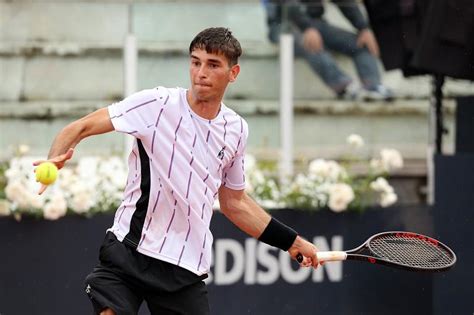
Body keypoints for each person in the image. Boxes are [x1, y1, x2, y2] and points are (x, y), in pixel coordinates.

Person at [33, 27, 319, 315]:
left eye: (213, 65)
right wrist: (53, 159)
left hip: (183, 266)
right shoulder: (157, 104)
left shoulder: (236, 130)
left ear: (233, 74)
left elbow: (235, 203)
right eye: (195, 62)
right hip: (129, 250)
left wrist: (291, 242)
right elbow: (78, 128)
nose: (200, 73)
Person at [264, 0, 393, 100]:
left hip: (316, 23)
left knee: (362, 44)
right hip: (284, 24)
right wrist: (306, 27)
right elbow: (286, 4)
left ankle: (372, 87)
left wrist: (364, 27)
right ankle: (345, 87)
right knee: (309, 43)